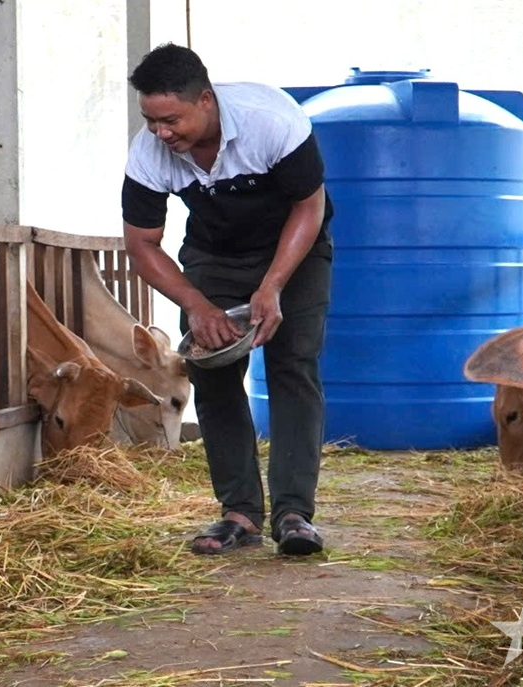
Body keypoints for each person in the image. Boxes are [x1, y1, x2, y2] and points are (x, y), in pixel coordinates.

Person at [121, 43, 333, 556]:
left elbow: (310, 204)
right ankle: (239, 512)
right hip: (215, 253)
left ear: (207, 101)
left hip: (293, 247)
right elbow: (141, 244)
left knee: (293, 365)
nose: (160, 133)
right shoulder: (149, 154)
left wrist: (274, 285)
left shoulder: (272, 121)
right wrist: (196, 304)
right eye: (150, 121)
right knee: (210, 370)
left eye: (170, 120)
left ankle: (293, 513)